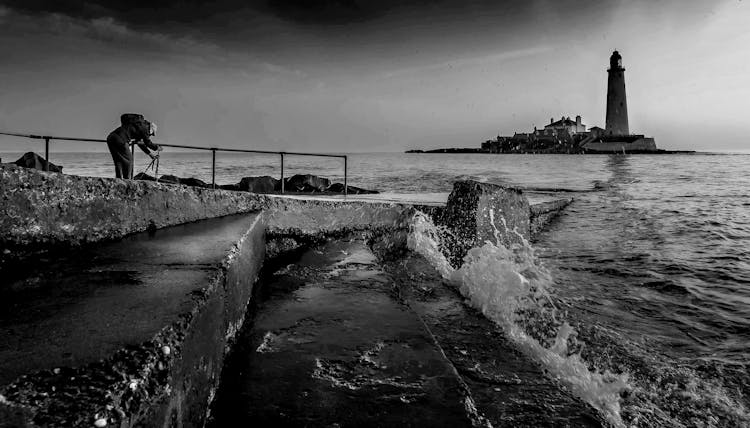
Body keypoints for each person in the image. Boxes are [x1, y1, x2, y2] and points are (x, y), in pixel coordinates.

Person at [106, 113, 161, 179]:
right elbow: (148, 142)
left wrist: (150, 154)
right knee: (129, 161)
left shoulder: (138, 126)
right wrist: (157, 147)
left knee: (118, 161)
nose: (150, 135)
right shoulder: (145, 128)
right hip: (121, 140)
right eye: (152, 134)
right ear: (151, 129)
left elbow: (140, 143)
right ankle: (127, 181)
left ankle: (119, 179)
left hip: (111, 137)